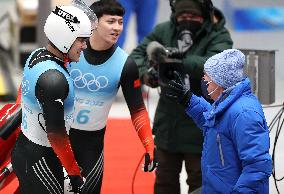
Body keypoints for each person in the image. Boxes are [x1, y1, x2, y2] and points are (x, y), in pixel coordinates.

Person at [130, 0, 233, 193]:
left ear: (205, 15)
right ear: (175, 16)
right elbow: (137, 54)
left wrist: (176, 60)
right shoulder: (164, 30)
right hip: (168, 124)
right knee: (164, 182)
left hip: (202, 125)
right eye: (182, 17)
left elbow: (217, 64)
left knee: (200, 182)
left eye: (193, 17)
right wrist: (147, 73)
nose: (187, 21)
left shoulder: (219, 34)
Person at [67, 1, 157, 193]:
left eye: (120, 22)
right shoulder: (69, 49)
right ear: (94, 23)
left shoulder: (126, 64)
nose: (117, 27)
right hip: (58, 137)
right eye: (111, 21)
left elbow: (138, 110)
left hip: (92, 145)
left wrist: (149, 146)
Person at [11, 2, 95, 193]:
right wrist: (74, 174)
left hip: (28, 151)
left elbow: (22, 96)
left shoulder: (37, 55)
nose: (84, 46)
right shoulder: (54, 80)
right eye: (81, 40)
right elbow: (56, 136)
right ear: (65, 38)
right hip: (41, 160)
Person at [166, 49, 272, 193]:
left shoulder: (244, 114)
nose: (205, 84)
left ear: (220, 82)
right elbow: (214, 124)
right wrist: (187, 99)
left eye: (208, 80)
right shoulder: (227, 103)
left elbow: (257, 167)